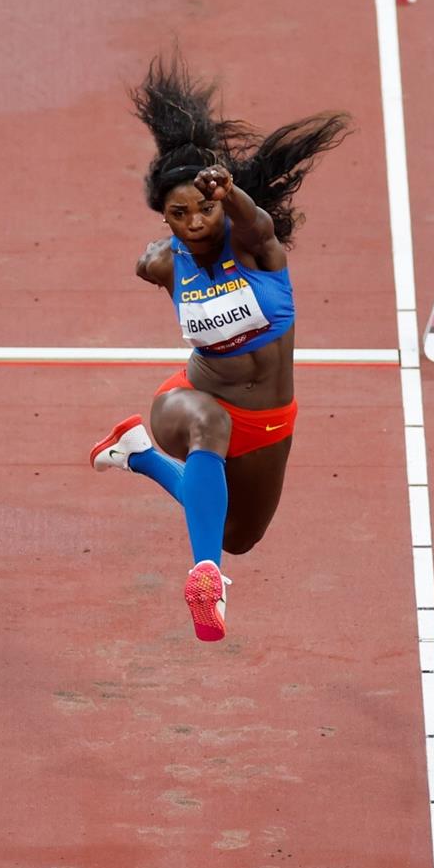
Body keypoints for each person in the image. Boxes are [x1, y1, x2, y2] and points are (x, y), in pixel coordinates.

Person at [87, 55, 348, 641]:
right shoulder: (165, 261)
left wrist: (230, 198)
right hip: (192, 400)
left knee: (240, 535)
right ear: (167, 219)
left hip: (270, 418)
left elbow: (253, 222)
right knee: (207, 429)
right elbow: (145, 261)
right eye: (179, 214)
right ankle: (206, 576)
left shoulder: (257, 248)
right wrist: (169, 251)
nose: (195, 221)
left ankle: (138, 454)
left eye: (204, 208)